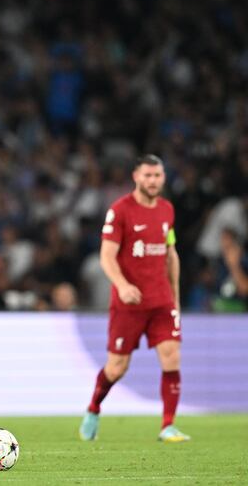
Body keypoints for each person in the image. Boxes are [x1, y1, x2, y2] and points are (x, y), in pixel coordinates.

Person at [79, 154, 190, 443]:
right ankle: (93, 408)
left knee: (172, 357)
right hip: (128, 304)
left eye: (158, 175)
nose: (153, 181)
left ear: (163, 177)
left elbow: (170, 254)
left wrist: (175, 296)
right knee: (117, 367)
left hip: (162, 301)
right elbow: (106, 256)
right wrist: (123, 285)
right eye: (148, 175)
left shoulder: (167, 210)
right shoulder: (120, 211)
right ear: (136, 177)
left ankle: (168, 425)